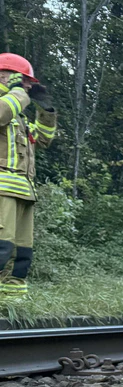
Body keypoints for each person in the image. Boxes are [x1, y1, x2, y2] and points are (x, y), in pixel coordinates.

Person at [0, 54, 56, 298]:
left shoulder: (19, 116)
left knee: (21, 253)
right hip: (2, 189)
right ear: (4, 75)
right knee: (1, 248)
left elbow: (44, 139)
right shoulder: (8, 106)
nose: (28, 86)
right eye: (24, 80)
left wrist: (47, 111)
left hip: (23, 190)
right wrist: (18, 93)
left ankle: (12, 305)